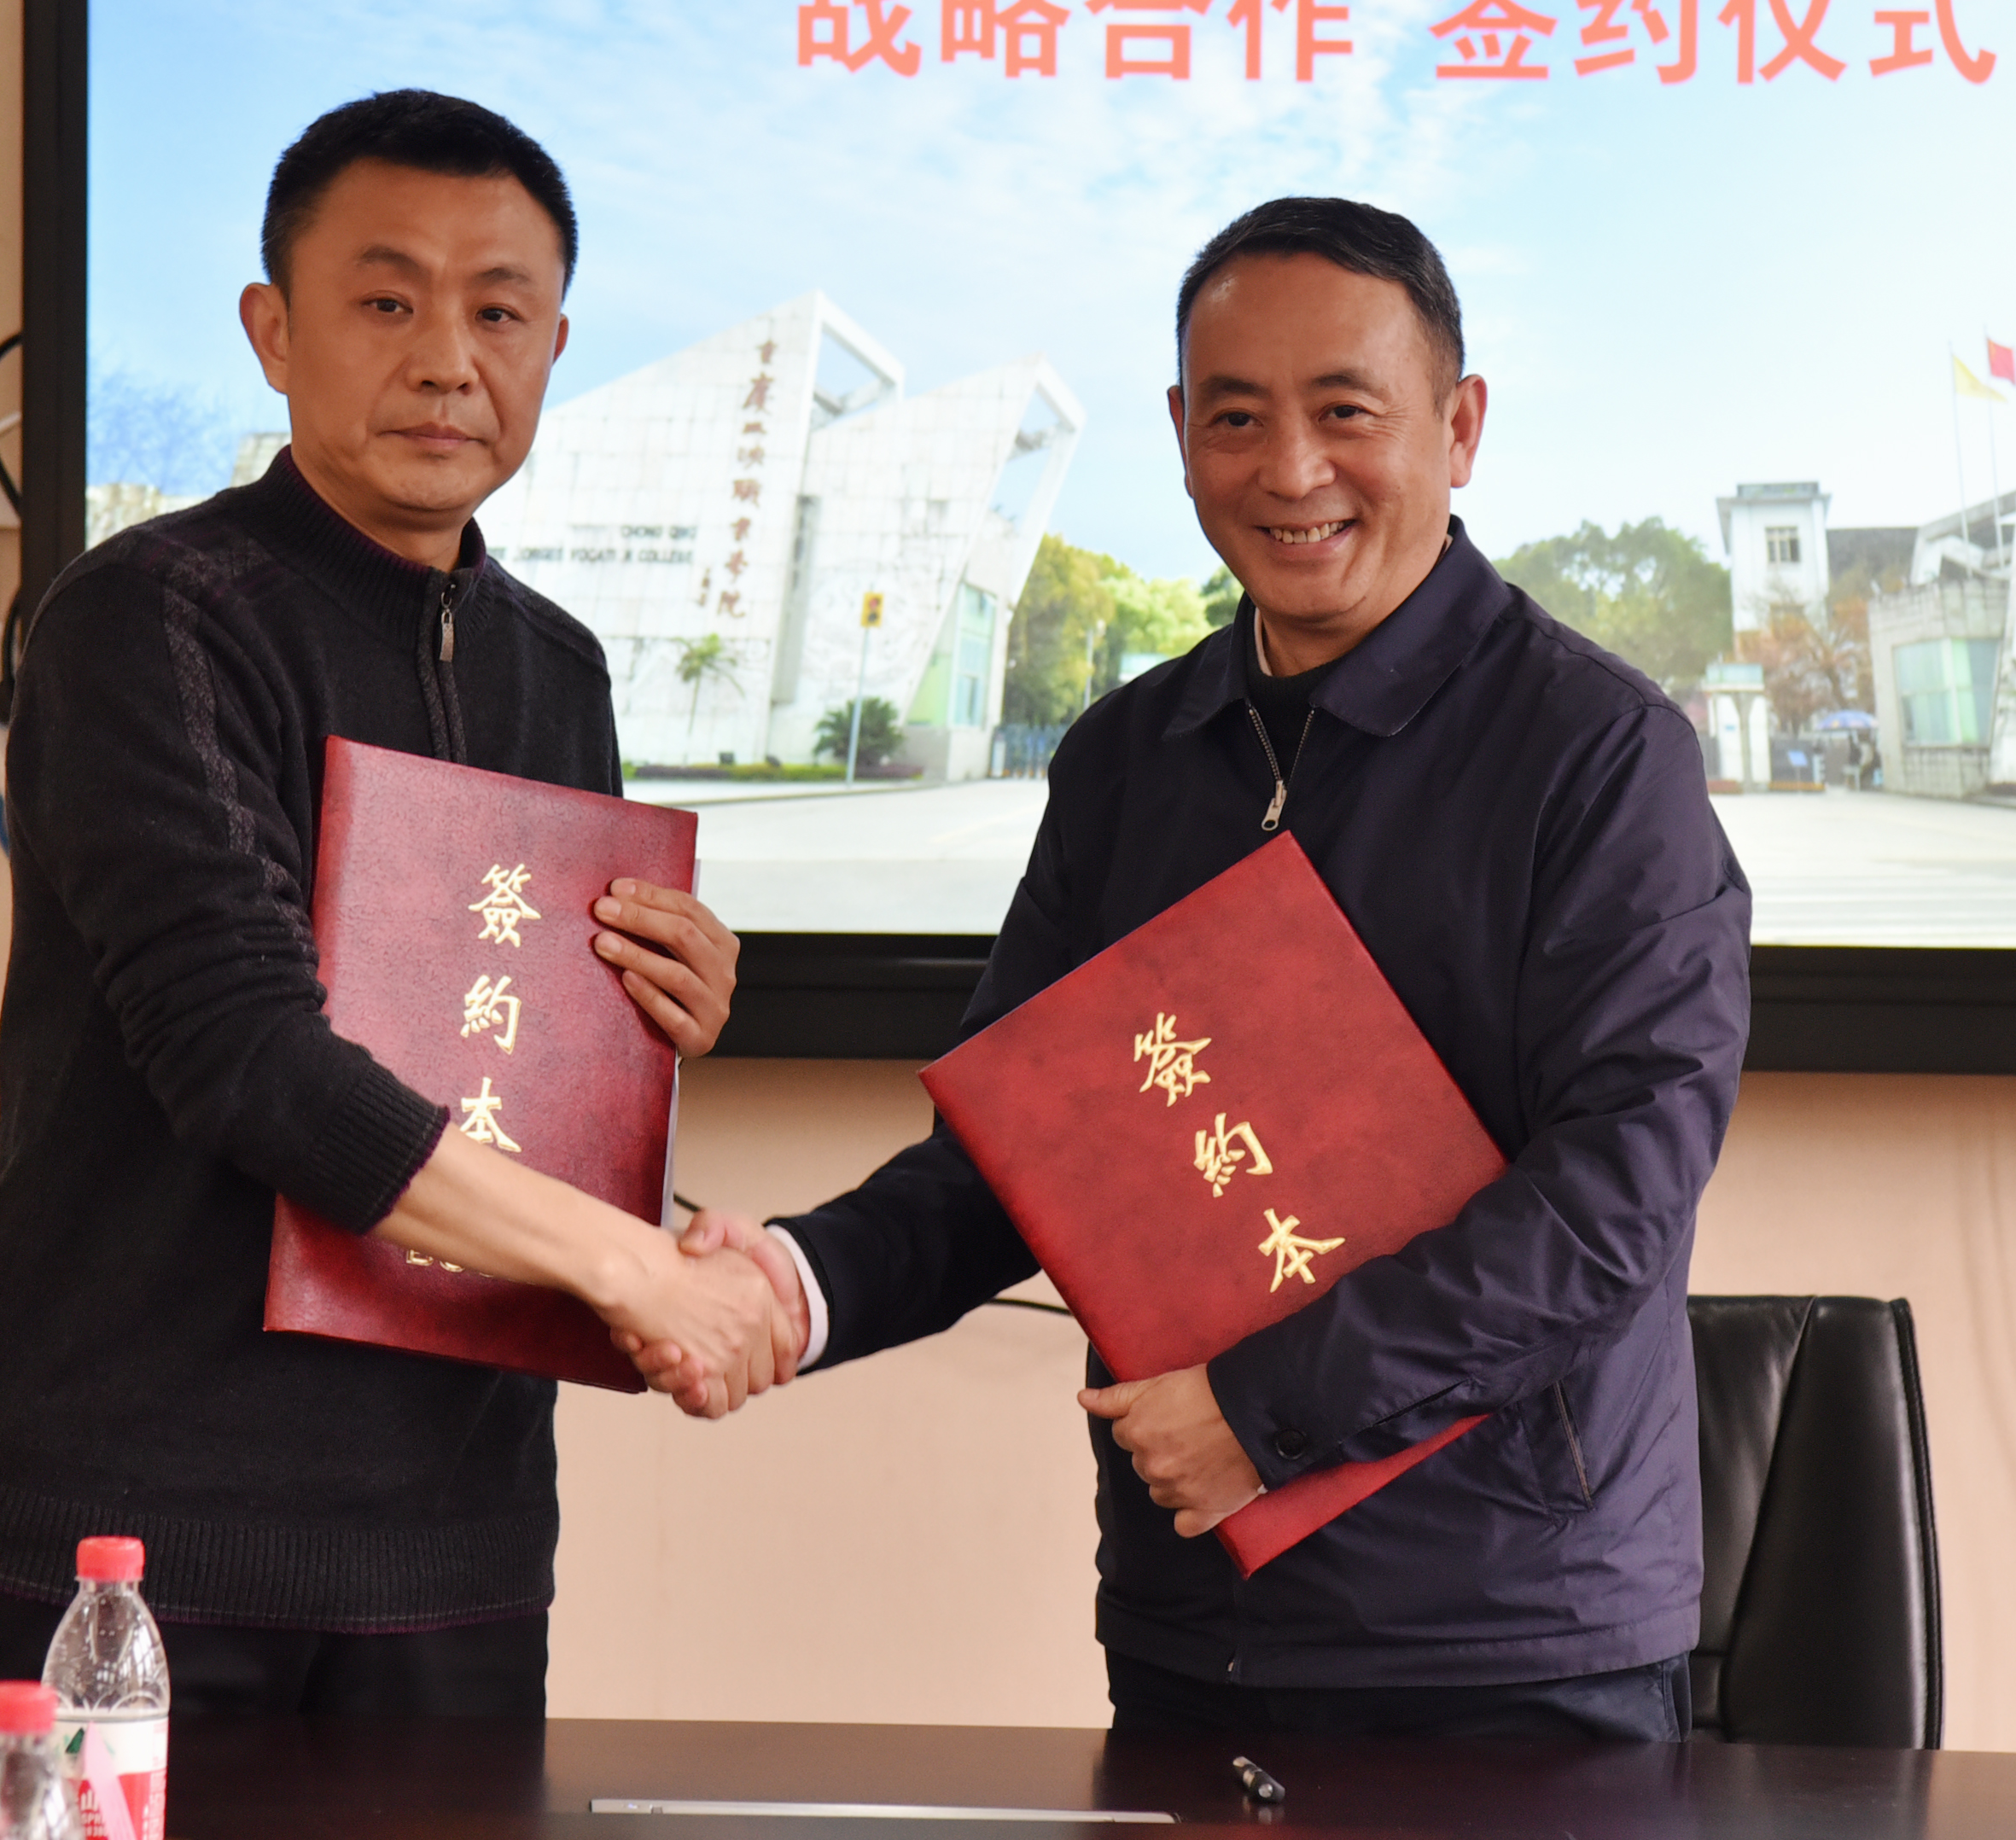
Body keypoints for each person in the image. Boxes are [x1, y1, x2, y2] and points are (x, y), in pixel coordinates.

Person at [657, 197, 1751, 1741]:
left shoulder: (1597, 752)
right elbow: (1022, 1155)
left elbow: (1614, 1200)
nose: (1291, 471)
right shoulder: (1129, 758)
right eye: (1237, 418)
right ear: (1180, 435)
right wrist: (793, 1281)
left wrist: (1262, 1410)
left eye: (1347, 412)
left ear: (1460, 427)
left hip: (1511, 1635)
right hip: (1194, 1614)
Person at [0, 90, 784, 1719]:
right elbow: (243, 1055)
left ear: (553, 347)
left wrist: (651, 1017)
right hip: (133, 1549)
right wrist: (639, 1270)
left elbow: (510, 1074)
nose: (447, 361)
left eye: (499, 314)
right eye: (387, 302)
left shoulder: (559, 669)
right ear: (274, 331)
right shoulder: (150, 618)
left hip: (453, 1550)